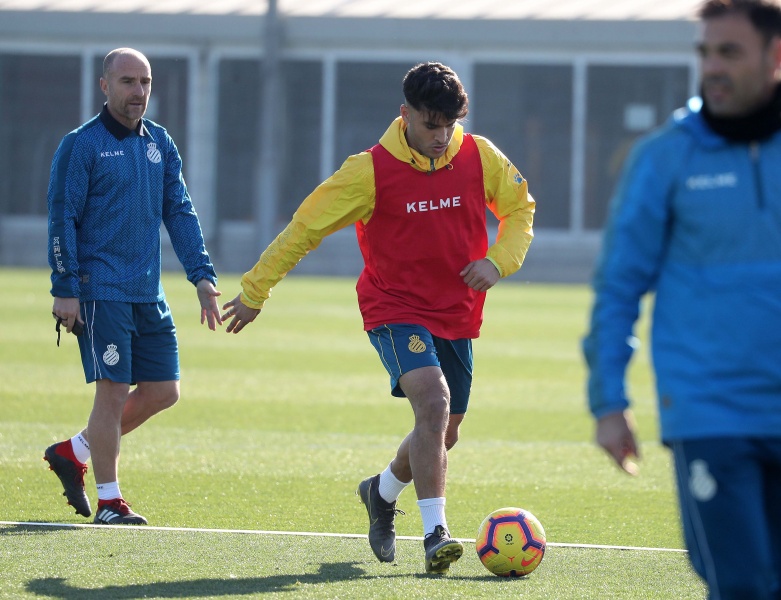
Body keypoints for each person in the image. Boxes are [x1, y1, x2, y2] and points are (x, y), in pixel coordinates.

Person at [221, 62, 534, 573]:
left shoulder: (479, 156)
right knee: (433, 402)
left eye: (449, 125)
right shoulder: (367, 170)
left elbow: (520, 209)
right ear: (404, 113)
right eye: (430, 124)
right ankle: (436, 533)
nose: (440, 136)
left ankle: (381, 491)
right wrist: (256, 290)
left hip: (456, 312)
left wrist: (498, 261)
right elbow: (305, 228)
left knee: (443, 430)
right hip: (394, 308)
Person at [583, 1, 781, 597]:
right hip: (711, 412)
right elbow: (619, 284)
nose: (712, 67)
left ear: (775, 56)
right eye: (704, 53)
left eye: (729, 52)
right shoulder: (666, 157)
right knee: (742, 585)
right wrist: (607, 400)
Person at [45, 47, 222, 526]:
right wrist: (65, 287)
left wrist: (202, 276)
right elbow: (63, 218)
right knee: (114, 389)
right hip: (100, 289)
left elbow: (179, 211)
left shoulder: (160, 143)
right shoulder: (80, 145)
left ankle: (74, 450)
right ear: (105, 86)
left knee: (165, 391)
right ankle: (109, 501)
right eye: (127, 81)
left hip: (148, 291)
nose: (138, 91)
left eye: (144, 82)